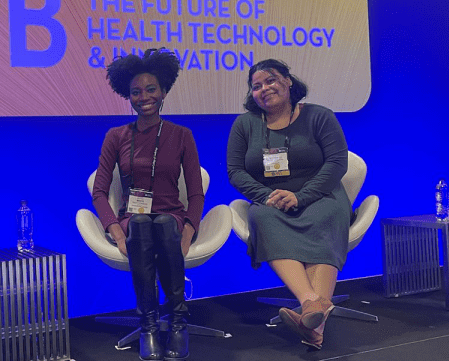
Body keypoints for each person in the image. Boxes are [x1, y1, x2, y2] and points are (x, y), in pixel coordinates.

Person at [226, 59, 350, 350]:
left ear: (288, 81)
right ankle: (313, 308)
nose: (264, 89)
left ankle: (311, 313)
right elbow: (235, 171)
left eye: (270, 80)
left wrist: (301, 196)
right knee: (263, 219)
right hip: (272, 201)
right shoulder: (245, 124)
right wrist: (266, 195)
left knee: (326, 216)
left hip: (322, 196)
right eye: (256, 86)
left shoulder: (319, 116)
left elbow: (336, 163)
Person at [91, 49, 204, 361]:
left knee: (165, 223)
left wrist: (188, 233)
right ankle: (149, 325)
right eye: (136, 92)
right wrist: (115, 232)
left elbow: (196, 194)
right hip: (133, 219)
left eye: (151, 89)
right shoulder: (116, 136)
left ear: (164, 91)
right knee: (141, 223)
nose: (144, 97)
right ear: (128, 96)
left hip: (172, 218)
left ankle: (178, 321)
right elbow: (100, 192)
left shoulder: (182, 135)